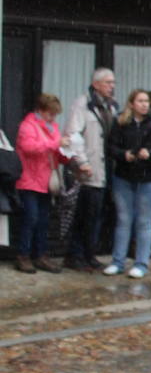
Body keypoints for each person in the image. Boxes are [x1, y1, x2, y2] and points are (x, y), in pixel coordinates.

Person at [102, 90, 151, 280]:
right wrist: (124, 155)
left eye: (146, 101)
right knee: (123, 220)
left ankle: (141, 264)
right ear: (131, 104)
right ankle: (118, 262)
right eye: (140, 101)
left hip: (149, 178)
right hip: (124, 177)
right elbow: (111, 147)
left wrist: (150, 154)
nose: (145, 104)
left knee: (144, 222)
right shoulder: (121, 122)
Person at [64, 68, 116, 271]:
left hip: (106, 168)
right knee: (83, 214)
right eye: (107, 82)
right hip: (87, 169)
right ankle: (75, 255)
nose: (112, 86)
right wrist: (82, 161)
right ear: (96, 84)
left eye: (113, 82)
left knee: (96, 215)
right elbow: (73, 135)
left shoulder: (111, 106)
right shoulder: (83, 104)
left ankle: (89, 253)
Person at [14, 93, 70, 274]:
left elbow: (54, 152)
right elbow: (29, 148)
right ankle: (23, 255)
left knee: (43, 221)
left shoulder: (53, 128)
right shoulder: (28, 125)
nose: (53, 118)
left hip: (46, 181)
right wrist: (56, 143)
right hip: (29, 179)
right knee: (30, 218)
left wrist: (66, 153)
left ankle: (40, 255)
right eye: (50, 113)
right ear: (41, 110)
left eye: (55, 114)